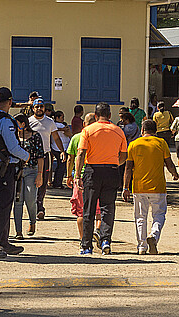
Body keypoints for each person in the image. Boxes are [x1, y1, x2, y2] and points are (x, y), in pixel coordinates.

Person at [0, 87, 30, 259]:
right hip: (4, 169)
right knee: (2, 208)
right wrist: (26, 155)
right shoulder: (5, 121)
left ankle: (3, 241)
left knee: (2, 206)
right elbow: (13, 147)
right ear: (10, 102)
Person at [73, 102, 128, 255]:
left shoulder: (88, 130)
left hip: (92, 170)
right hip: (111, 170)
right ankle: (105, 240)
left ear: (96, 116)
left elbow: (81, 153)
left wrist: (77, 175)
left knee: (88, 209)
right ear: (110, 116)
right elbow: (124, 155)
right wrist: (115, 163)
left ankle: (86, 245)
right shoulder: (118, 131)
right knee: (107, 208)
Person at [123, 120, 179, 255]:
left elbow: (128, 167)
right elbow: (169, 162)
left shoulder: (134, 144)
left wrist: (126, 187)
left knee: (140, 217)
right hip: (158, 187)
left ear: (142, 130)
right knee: (159, 214)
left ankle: (142, 247)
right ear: (156, 131)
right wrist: (175, 173)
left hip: (139, 187)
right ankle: (154, 236)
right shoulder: (161, 143)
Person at [66, 113, 102, 245]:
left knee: (81, 211)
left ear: (84, 124)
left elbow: (70, 158)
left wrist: (70, 175)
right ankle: (97, 230)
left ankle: (83, 238)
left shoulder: (76, 137)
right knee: (98, 209)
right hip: (96, 174)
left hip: (80, 176)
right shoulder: (99, 136)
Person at [28, 99, 64, 220]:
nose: (39, 108)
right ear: (33, 108)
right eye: (36, 106)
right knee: (31, 181)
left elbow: (56, 137)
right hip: (31, 156)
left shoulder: (50, 122)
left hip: (45, 156)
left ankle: (40, 207)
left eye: (41, 106)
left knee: (43, 183)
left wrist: (62, 151)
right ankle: (30, 207)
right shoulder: (29, 122)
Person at [12, 114, 45, 239]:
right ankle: (18, 231)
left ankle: (32, 221)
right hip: (16, 171)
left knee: (30, 199)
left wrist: (40, 174)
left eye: (17, 123)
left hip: (31, 170)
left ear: (23, 124)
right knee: (17, 201)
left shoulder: (35, 136)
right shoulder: (13, 136)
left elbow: (41, 156)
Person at [51, 111, 72, 189]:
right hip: (59, 148)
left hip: (60, 147)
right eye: (61, 117)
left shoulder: (61, 125)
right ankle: (57, 183)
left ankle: (56, 182)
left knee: (60, 166)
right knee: (61, 166)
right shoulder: (55, 125)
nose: (63, 119)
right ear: (57, 118)